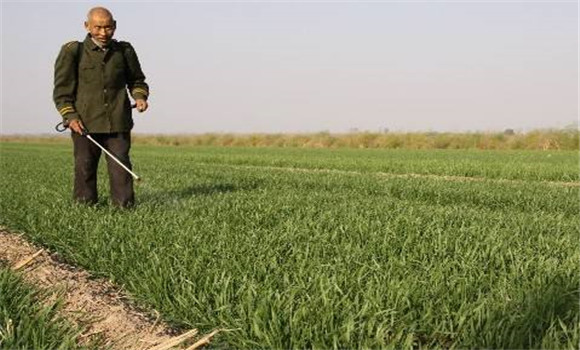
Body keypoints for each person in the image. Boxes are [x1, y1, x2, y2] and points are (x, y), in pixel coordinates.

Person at [53, 7, 149, 208]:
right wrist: (70, 116)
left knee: (120, 167)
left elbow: (137, 81)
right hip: (84, 123)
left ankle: (125, 209)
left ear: (114, 26)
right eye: (98, 27)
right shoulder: (73, 51)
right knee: (85, 167)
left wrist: (139, 97)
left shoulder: (124, 51)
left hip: (118, 121)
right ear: (87, 26)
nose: (103, 33)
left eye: (108, 28)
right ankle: (85, 208)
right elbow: (62, 91)